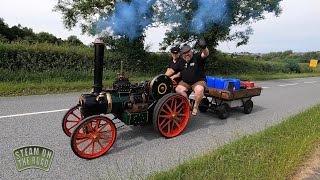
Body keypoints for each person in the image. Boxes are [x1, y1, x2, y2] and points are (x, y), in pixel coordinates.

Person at [175, 38, 209, 116]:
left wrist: (204, 47)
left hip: (198, 81)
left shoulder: (197, 57)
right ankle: (188, 103)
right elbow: (176, 71)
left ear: (191, 51)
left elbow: (205, 54)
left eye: (188, 52)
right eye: (184, 53)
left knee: (199, 89)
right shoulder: (181, 61)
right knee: (178, 89)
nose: (186, 54)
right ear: (182, 54)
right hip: (185, 82)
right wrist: (169, 76)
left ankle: (195, 107)